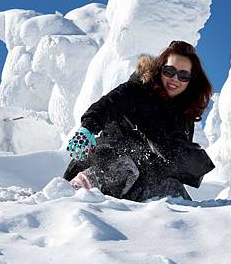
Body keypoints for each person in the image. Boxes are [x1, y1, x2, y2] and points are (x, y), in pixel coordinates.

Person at [63, 40, 215, 201]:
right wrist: (88, 128)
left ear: (191, 80)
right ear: (160, 68)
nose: (175, 79)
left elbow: (165, 161)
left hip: (136, 182)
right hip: (105, 161)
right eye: (169, 71)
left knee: (174, 190)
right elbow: (107, 105)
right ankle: (74, 194)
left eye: (183, 75)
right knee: (126, 165)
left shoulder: (183, 118)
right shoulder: (138, 90)